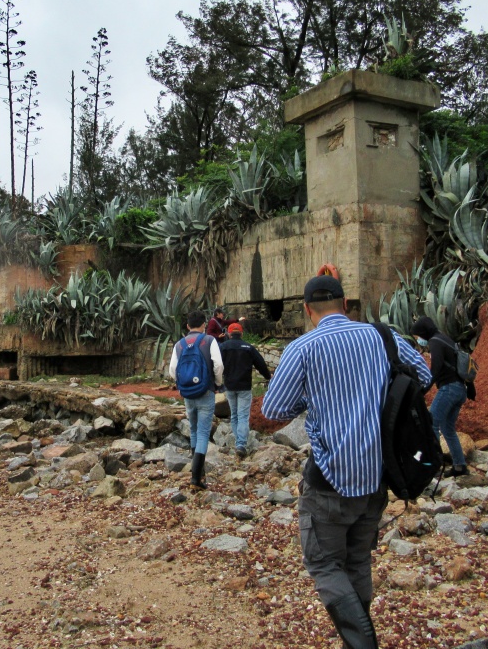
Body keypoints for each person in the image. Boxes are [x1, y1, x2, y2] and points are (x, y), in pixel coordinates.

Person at [264, 275, 431, 649]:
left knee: (324, 565)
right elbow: (423, 375)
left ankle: (362, 644)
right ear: (344, 304)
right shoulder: (381, 336)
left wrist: (313, 400)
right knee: (357, 563)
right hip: (377, 476)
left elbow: (274, 408)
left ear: (308, 311)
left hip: (330, 477)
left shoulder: (303, 348)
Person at [411, 316, 476, 477]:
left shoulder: (434, 342)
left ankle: (431, 464)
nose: (418, 340)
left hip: (449, 388)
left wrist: (424, 389)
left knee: (431, 423)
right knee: (447, 429)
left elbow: (436, 368)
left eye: (417, 336)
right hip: (460, 389)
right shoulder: (444, 338)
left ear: (422, 332)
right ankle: (460, 466)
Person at [169, 310, 224, 489]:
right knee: (202, 433)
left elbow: (172, 370)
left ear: (187, 326)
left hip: (188, 394)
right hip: (205, 392)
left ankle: (198, 475)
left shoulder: (179, 344)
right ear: (204, 325)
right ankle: (196, 478)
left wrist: (182, 385)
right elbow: (218, 365)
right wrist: (217, 383)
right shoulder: (209, 340)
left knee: (193, 430)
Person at [219, 322, 271, 458]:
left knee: (234, 415)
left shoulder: (223, 347)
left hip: (229, 386)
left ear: (229, 334)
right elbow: (261, 363)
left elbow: (216, 365)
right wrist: (268, 376)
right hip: (244, 387)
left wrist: (216, 381)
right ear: (241, 333)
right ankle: (241, 444)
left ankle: (238, 442)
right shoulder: (248, 347)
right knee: (242, 416)